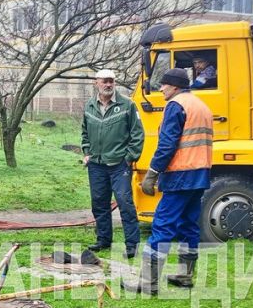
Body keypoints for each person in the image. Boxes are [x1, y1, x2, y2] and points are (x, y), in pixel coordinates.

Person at [138, 67, 214, 294]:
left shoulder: (176, 105)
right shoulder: (201, 105)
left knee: (163, 224)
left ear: (174, 86)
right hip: (200, 174)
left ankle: (148, 282)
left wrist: (152, 172)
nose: (160, 89)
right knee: (188, 225)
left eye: (164, 85)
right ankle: (185, 274)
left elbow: (167, 144)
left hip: (180, 173)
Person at [81, 68, 145, 257]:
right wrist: (86, 152)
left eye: (111, 81)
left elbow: (137, 135)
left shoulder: (127, 105)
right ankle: (103, 240)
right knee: (99, 204)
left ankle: (132, 245)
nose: (108, 85)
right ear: (96, 83)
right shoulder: (89, 106)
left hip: (119, 164)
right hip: (96, 164)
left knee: (125, 204)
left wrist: (129, 158)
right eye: (104, 81)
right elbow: (84, 132)